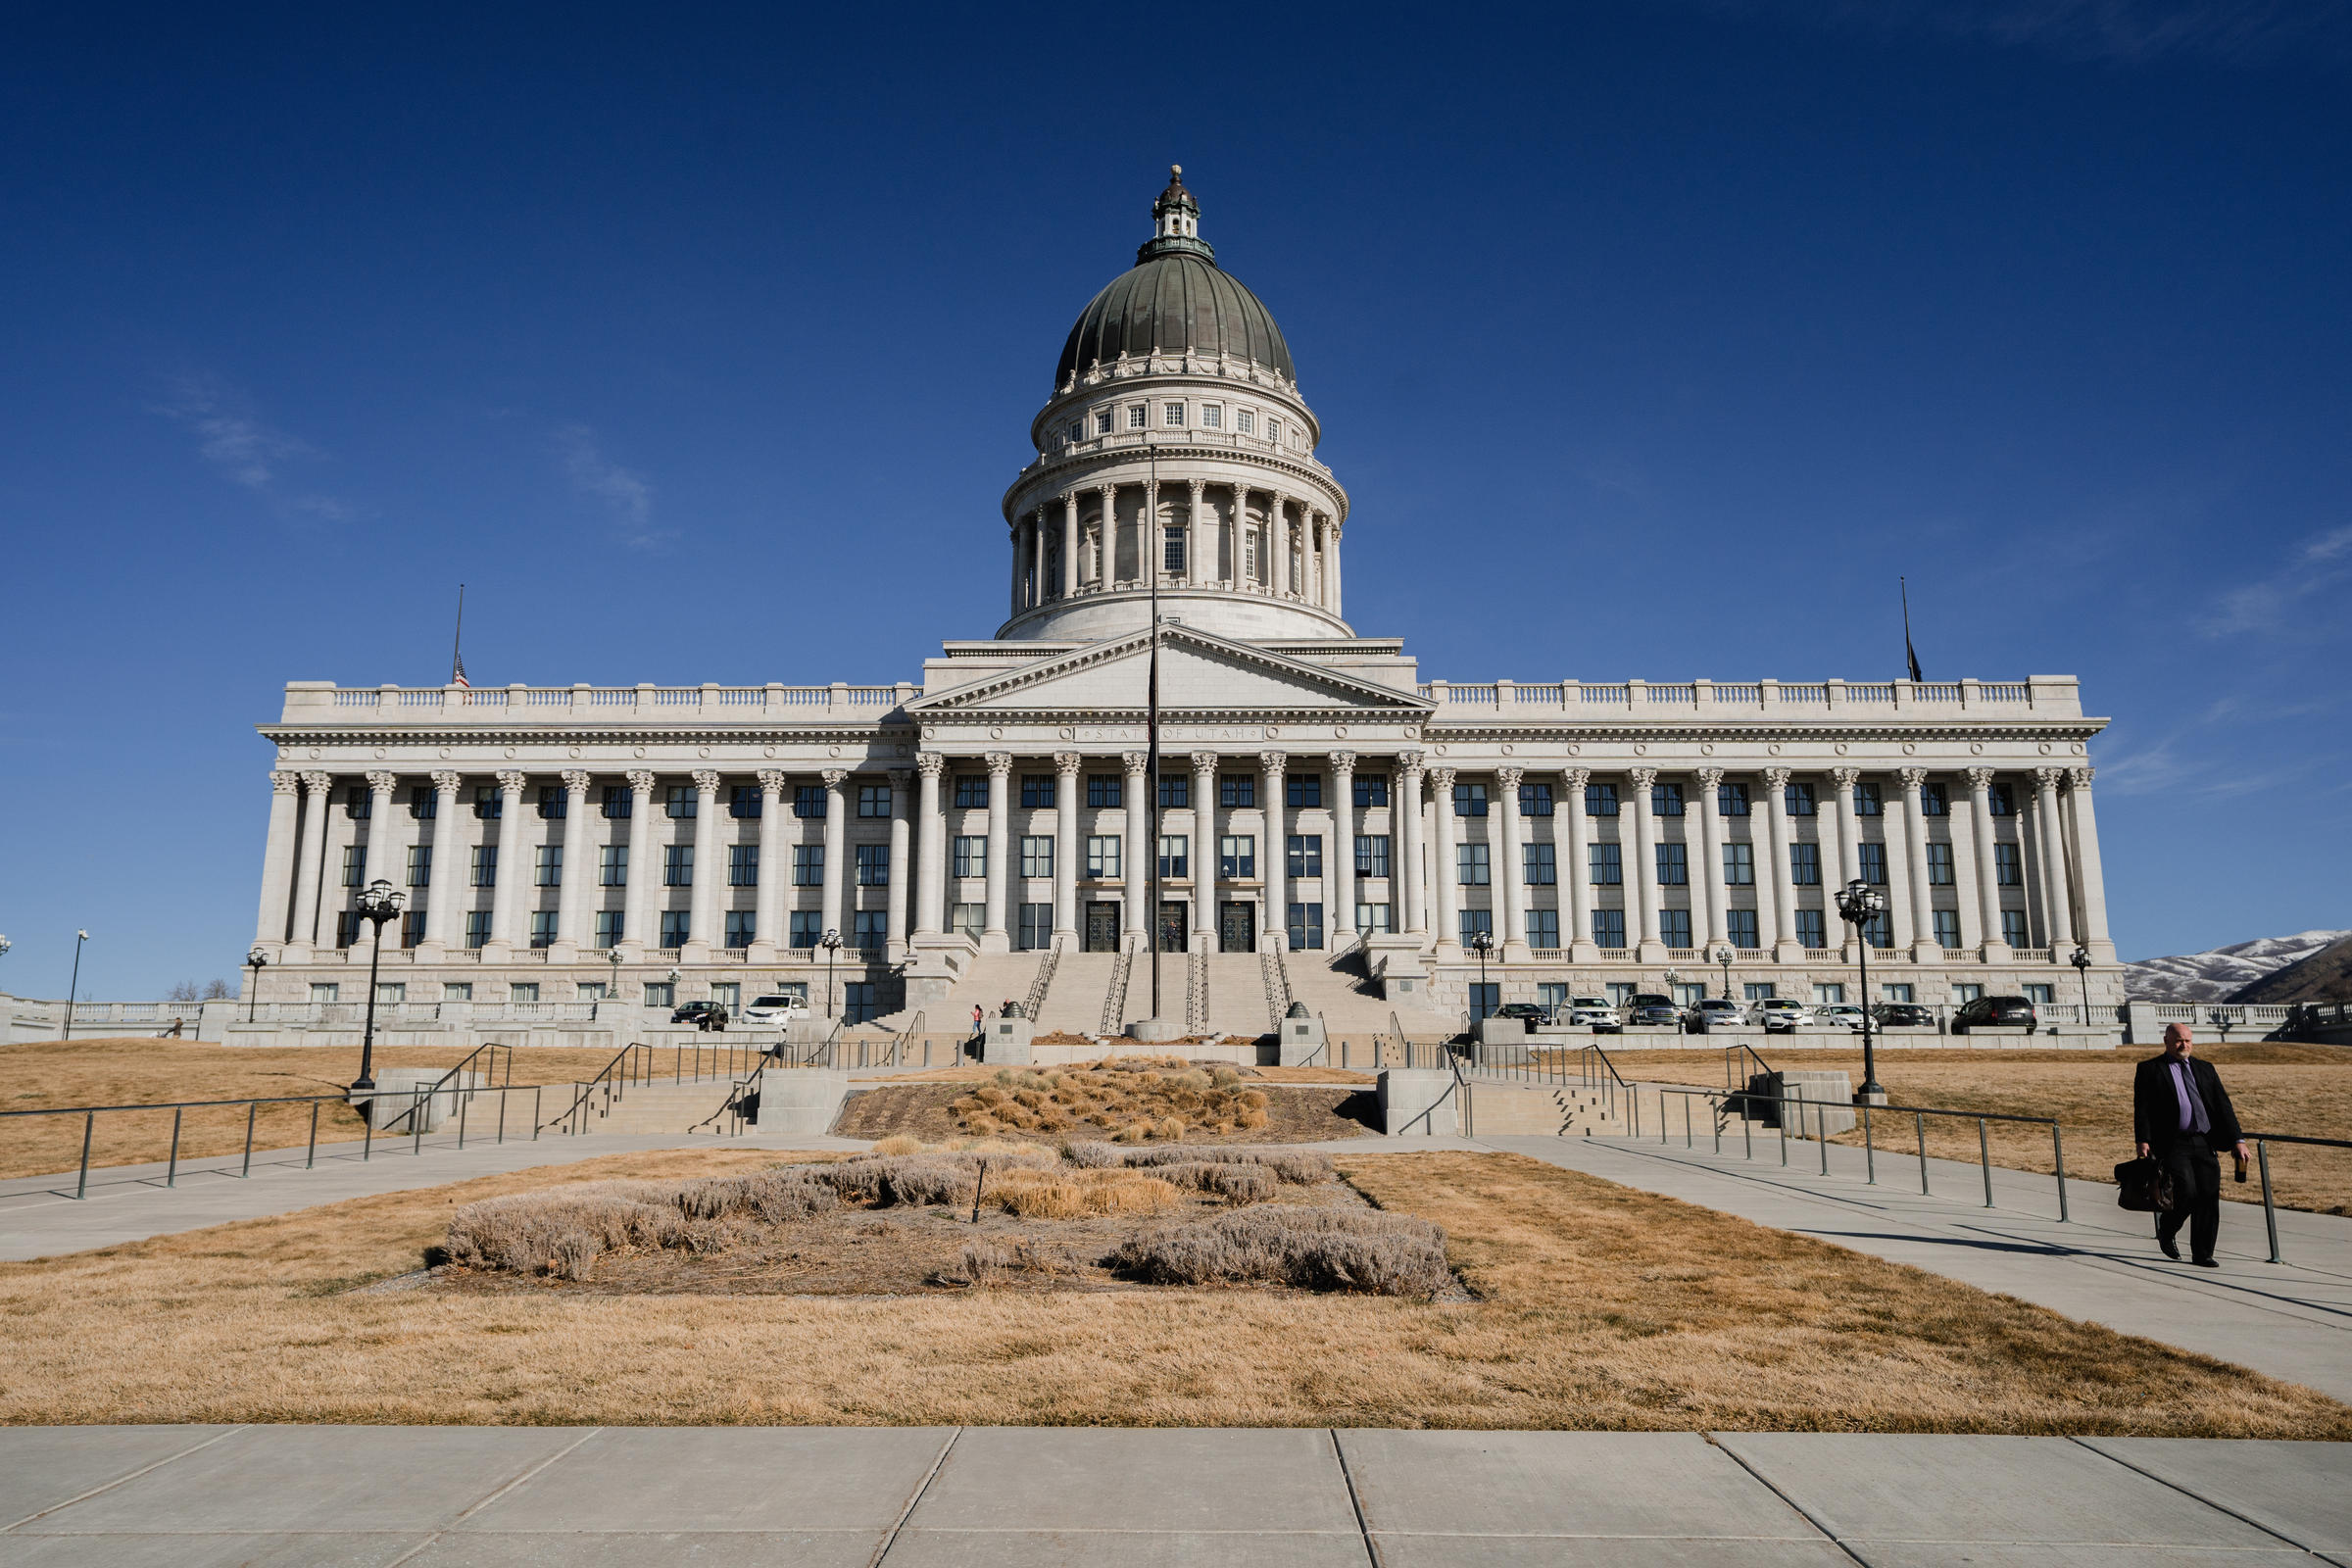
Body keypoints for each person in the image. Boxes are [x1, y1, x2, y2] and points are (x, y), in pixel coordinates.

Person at [2133, 1022, 2248, 1267]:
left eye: (2187, 1040)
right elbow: (2142, 1108)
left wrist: (2238, 1140)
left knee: (2208, 1196)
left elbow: (2223, 1106)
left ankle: (2203, 1253)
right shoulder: (2150, 1069)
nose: (2183, 1045)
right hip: (2173, 1142)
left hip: (2204, 1140)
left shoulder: (2205, 1069)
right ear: (2166, 1041)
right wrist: (2142, 1140)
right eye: (2178, 1040)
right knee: (2187, 1191)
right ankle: (2168, 1228)